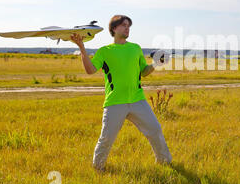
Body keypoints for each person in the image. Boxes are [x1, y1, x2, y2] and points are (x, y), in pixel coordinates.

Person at [70, 15, 172, 171]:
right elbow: (90, 70)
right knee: (107, 138)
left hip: (138, 100)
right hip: (115, 102)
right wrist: (82, 48)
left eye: (129, 26)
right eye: (124, 25)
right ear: (114, 29)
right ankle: (98, 168)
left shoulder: (135, 48)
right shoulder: (104, 51)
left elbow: (144, 72)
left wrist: (155, 64)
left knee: (155, 129)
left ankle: (165, 163)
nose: (127, 28)